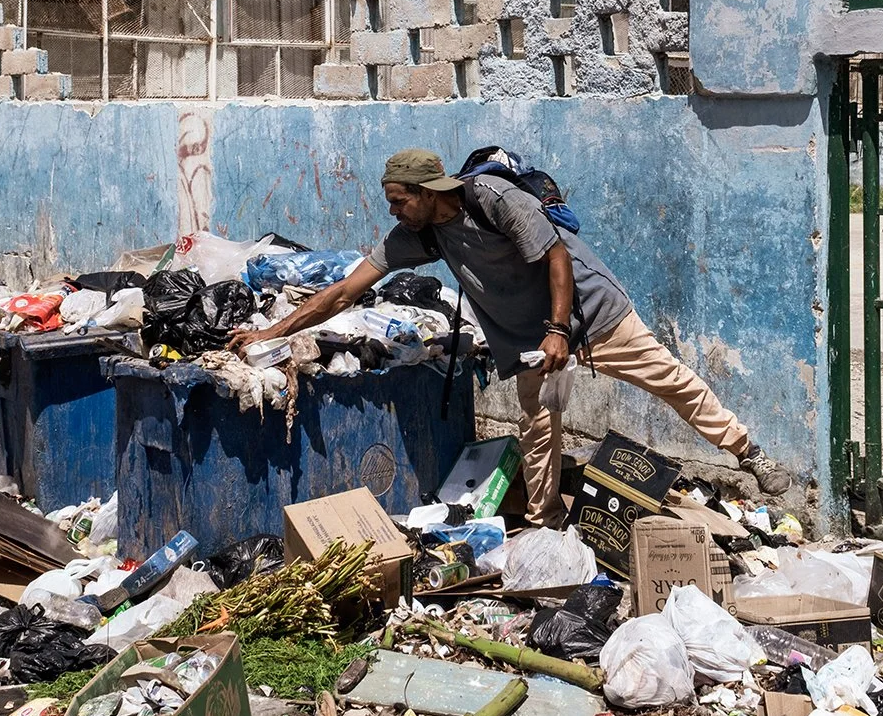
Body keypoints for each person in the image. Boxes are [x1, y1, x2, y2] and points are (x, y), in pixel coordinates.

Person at [231, 148, 792, 526]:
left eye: (401, 199)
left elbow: (555, 255)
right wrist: (270, 330)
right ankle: (546, 525)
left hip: (594, 315)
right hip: (530, 341)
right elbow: (344, 293)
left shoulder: (493, 199)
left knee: (673, 383)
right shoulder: (418, 234)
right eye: (392, 201)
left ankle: (750, 453)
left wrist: (557, 329)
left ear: (430, 191)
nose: (394, 210)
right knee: (538, 430)